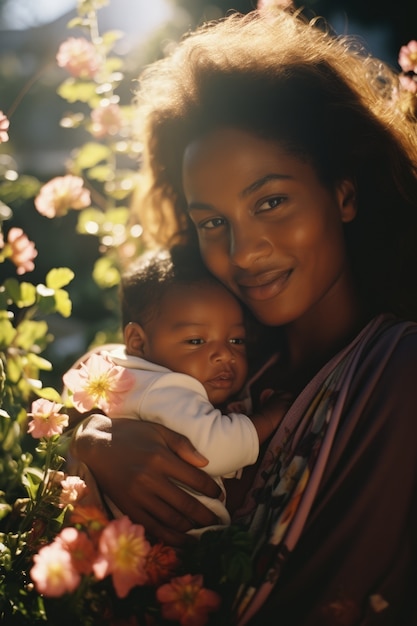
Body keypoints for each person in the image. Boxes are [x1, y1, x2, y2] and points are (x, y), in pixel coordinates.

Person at [69, 7, 417, 626]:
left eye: (272, 201)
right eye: (212, 222)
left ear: (344, 192)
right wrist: (90, 445)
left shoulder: (399, 373)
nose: (242, 251)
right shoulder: (223, 362)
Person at [65, 246, 290, 531]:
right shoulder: (167, 388)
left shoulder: (130, 377)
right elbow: (215, 448)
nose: (224, 355)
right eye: (196, 341)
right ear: (138, 342)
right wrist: (270, 417)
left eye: (237, 341)